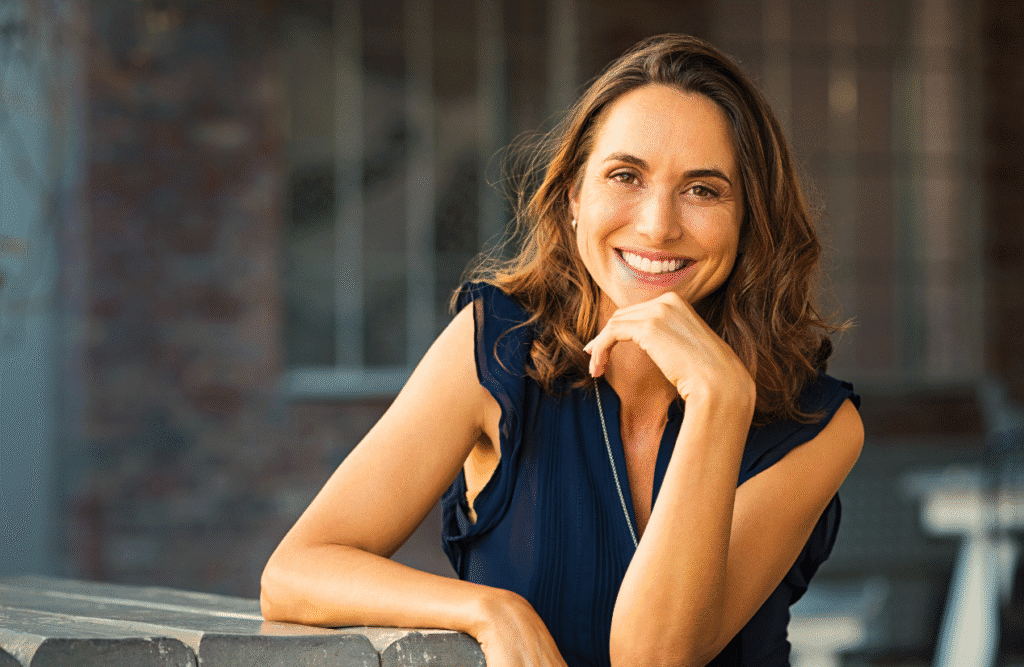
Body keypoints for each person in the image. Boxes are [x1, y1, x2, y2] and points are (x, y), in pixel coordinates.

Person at [261, 34, 864, 667]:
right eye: (625, 176)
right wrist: (490, 610)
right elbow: (296, 571)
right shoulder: (495, 346)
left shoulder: (817, 424)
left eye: (703, 190)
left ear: (750, 220)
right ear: (574, 197)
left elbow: (653, 658)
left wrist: (719, 401)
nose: (657, 225)